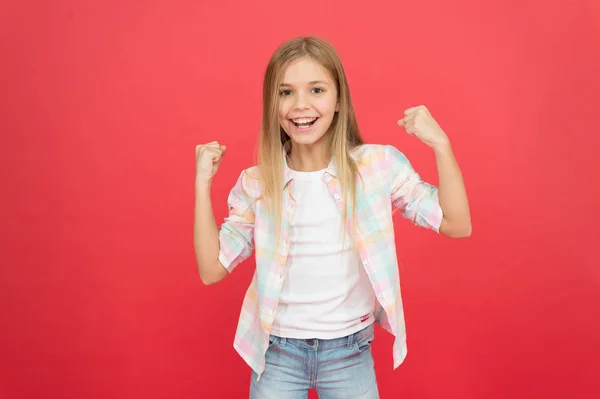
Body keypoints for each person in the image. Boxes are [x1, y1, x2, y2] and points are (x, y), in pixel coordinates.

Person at [194, 36, 471, 399]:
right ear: (272, 103)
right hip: (278, 354)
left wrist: (441, 145)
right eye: (286, 92)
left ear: (339, 99)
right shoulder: (258, 183)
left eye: (317, 90)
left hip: (349, 353)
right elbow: (211, 269)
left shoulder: (376, 167)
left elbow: (456, 223)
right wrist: (202, 183)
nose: (301, 105)